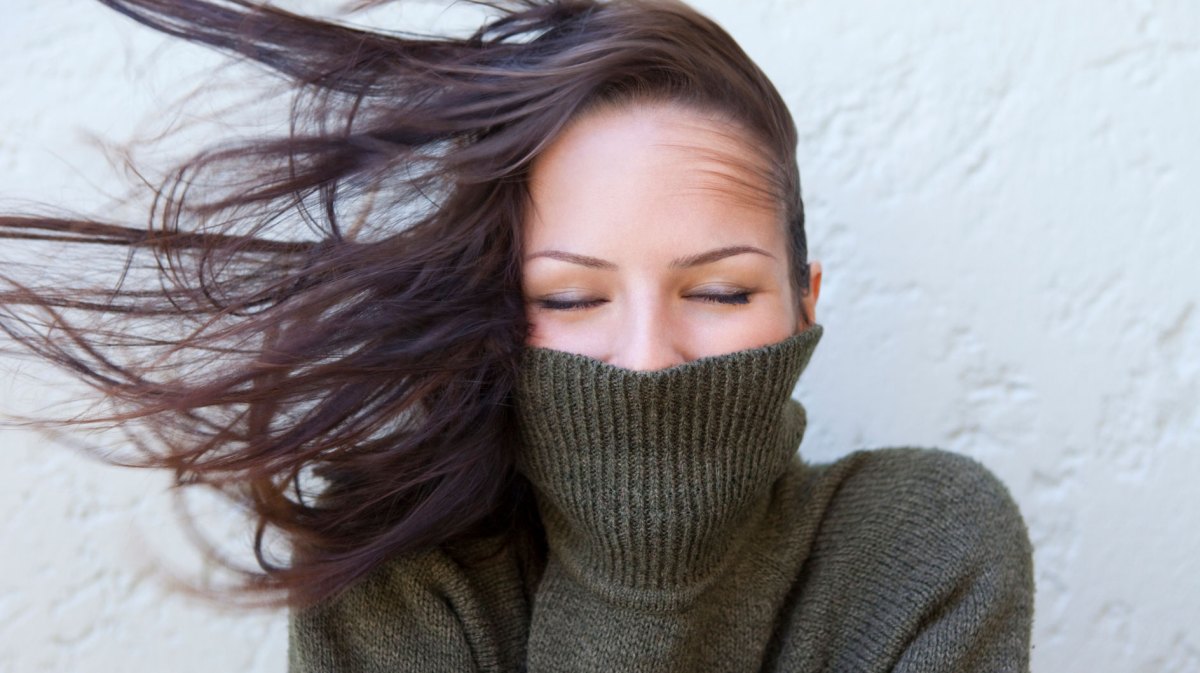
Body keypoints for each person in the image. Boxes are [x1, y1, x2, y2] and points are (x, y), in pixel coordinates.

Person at [0, 0, 1035, 671]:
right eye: (574, 299)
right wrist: (631, 573)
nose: (645, 356)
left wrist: (645, 560)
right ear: (493, 306)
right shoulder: (400, 578)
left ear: (804, 302)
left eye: (718, 293)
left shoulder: (926, 540)